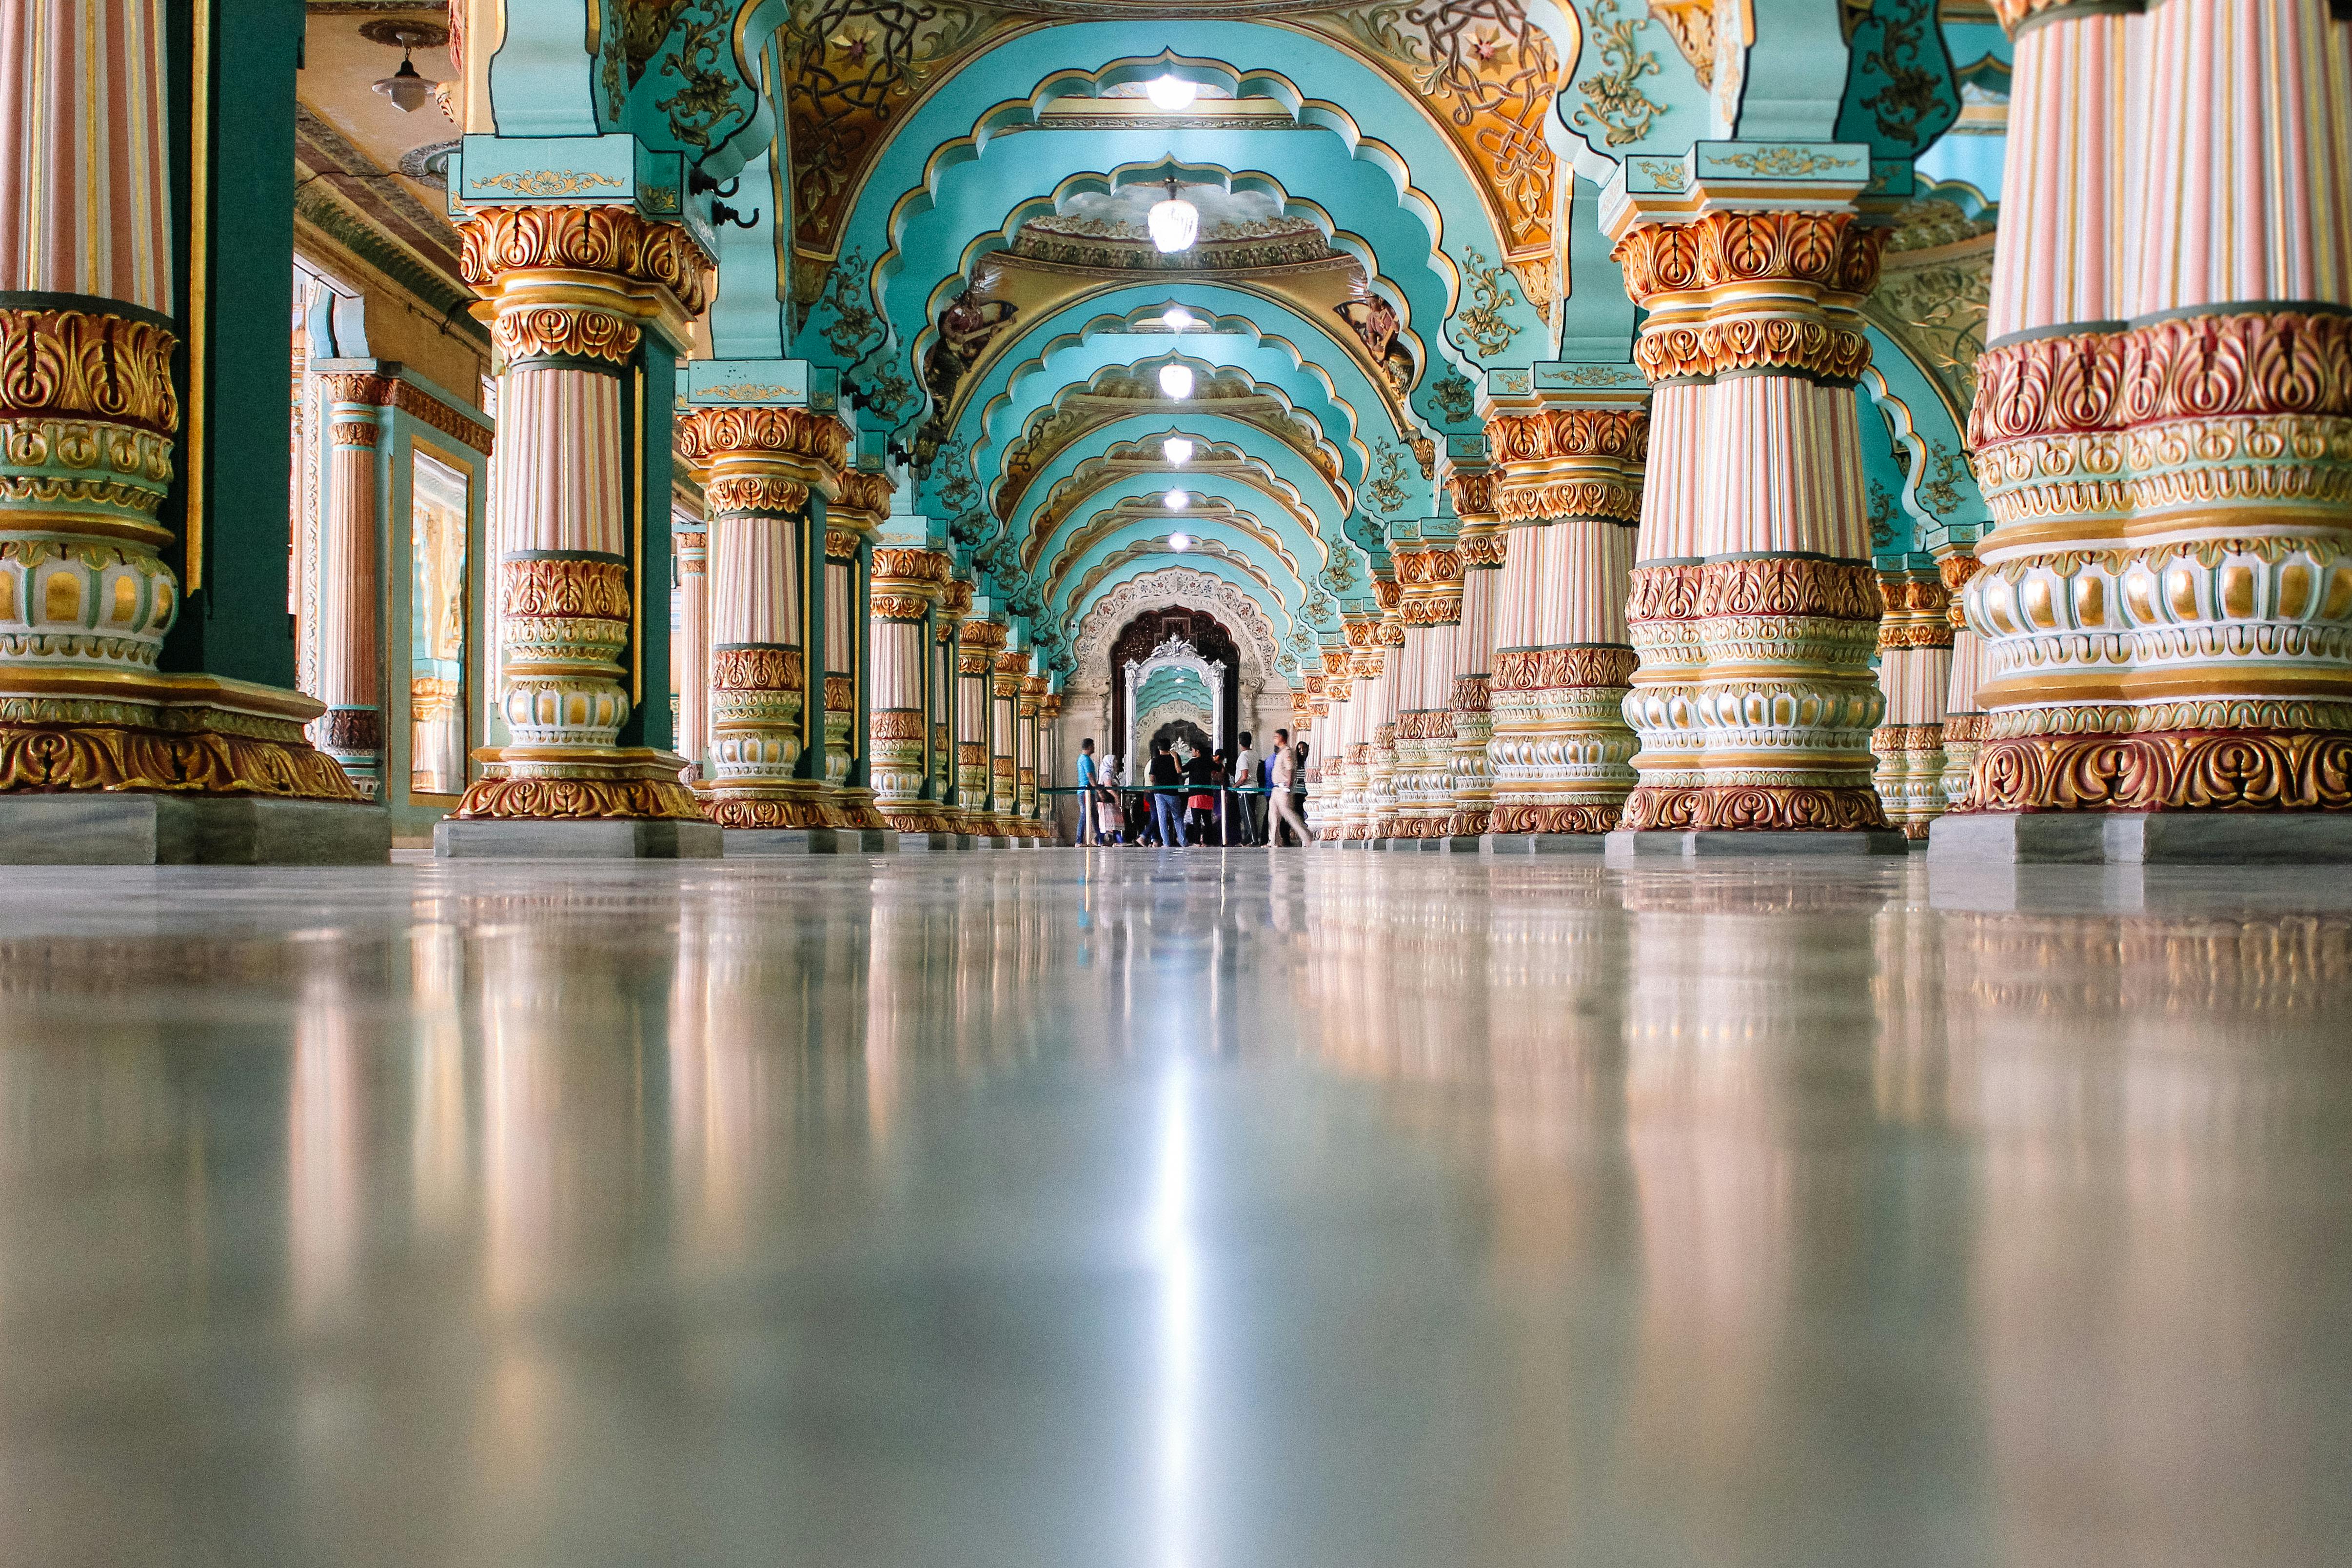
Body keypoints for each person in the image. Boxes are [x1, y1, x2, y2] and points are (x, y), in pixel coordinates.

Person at [1269, 727, 1312, 845]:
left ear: (1282, 738)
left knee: (1289, 814)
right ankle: (1274, 841)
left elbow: (1290, 769)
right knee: (1273, 816)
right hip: (1276, 788)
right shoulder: (1280, 752)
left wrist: (1289, 784)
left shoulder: (1287, 752)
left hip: (1283, 788)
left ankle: (1306, 836)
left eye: (1276, 737)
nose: (1275, 740)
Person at [1147, 738, 1186, 847]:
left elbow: (1152, 777)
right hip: (1173, 792)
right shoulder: (1175, 758)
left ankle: (1166, 843)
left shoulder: (1156, 760)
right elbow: (1179, 772)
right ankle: (1183, 841)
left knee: (1162, 818)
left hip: (1159, 792)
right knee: (1177, 817)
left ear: (1159, 748)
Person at [1232, 731, 1264, 846]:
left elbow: (1244, 776)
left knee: (1248, 816)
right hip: (1253, 788)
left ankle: (1254, 840)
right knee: (1248, 815)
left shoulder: (1243, 756)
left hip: (1246, 789)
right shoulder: (1254, 754)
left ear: (1240, 742)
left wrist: (1235, 786)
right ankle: (1248, 838)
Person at [1073, 738, 1099, 845]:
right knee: (1085, 814)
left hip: (1088, 791)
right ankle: (1079, 840)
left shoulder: (1082, 758)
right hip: (1086, 791)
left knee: (1094, 815)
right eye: (1093, 745)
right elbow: (1090, 775)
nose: (1094, 748)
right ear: (1089, 747)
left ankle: (1099, 838)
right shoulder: (1086, 760)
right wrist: (1097, 788)